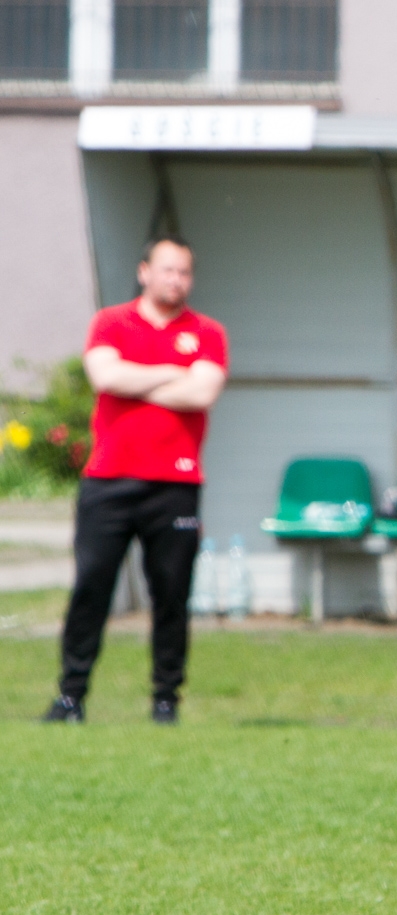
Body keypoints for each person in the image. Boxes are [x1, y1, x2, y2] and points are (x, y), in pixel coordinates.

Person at [43, 237, 228, 725]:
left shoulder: (207, 332)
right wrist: (170, 372)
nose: (176, 280)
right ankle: (71, 697)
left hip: (175, 484)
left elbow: (203, 390)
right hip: (109, 480)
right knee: (91, 588)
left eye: (184, 272)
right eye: (167, 270)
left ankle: (166, 700)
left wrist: (139, 377)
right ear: (144, 271)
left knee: (170, 593)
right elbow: (106, 378)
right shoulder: (111, 323)